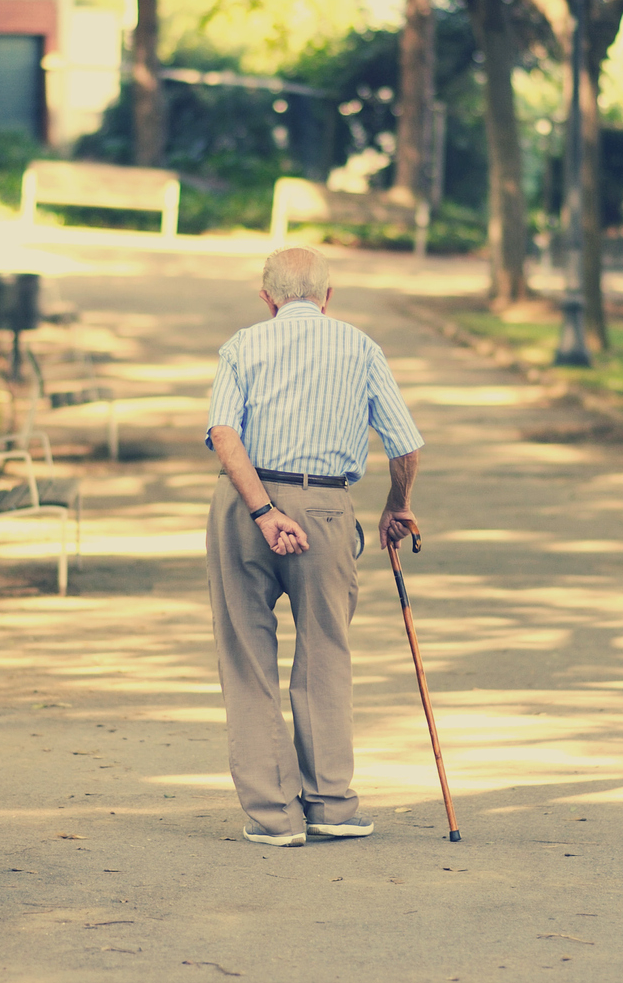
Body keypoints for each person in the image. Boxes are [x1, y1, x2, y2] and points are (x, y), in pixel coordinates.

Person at [203, 247, 424, 847]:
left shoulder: (243, 346)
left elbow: (224, 433)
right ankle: (329, 804)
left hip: (244, 508)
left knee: (247, 659)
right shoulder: (360, 348)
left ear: (267, 298)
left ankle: (274, 816)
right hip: (326, 509)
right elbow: (405, 445)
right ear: (328, 297)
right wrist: (396, 505)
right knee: (326, 653)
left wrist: (264, 511)